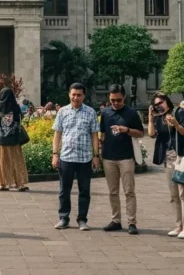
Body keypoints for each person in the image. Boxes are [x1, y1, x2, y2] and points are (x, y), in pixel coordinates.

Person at [51, 82, 100, 231]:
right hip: (66, 157)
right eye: (73, 94)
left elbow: (94, 135)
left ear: (84, 96)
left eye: (79, 95)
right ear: (69, 95)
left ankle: (82, 219)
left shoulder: (90, 112)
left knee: (84, 191)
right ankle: (63, 218)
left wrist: (96, 155)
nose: (76, 97)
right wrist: (55, 154)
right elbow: (57, 134)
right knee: (64, 190)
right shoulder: (63, 112)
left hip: (85, 158)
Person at [147, 92, 184, 239]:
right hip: (168, 159)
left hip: (181, 157)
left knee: (183, 194)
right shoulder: (159, 118)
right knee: (174, 195)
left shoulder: (179, 112)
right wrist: (150, 117)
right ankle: (178, 225)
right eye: (156, 105)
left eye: (161, 103)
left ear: (167, 101)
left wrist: (175, 123)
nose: (159, 106)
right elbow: (151, 134)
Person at [99, 83, 145, 235]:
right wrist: (99, 150)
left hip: (126, 157)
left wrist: (127, 130)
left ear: (124, 98)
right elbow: (103, 134)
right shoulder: (105, 113)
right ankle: (116, 220)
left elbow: (140, 133)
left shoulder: (131, 113)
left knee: (129, 191)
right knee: (113, 192)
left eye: (118, 100)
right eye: (112, 100)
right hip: (108, 158)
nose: (115, 103)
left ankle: (132, 222)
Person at [0, 88, 29, 192]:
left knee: (2, 162)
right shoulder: (16, 106)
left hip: (2, 139)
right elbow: (20, 119)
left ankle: (3, 184)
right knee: (17, 161)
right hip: (14, 139)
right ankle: (20, 184)